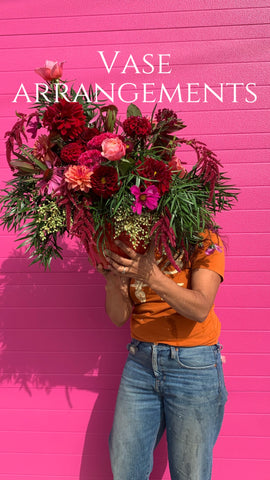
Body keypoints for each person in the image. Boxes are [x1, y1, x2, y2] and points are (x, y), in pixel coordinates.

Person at [98, 229, 228, 480]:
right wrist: (113, 283)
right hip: (140, 362)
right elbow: (118, 317)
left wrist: (151, 275)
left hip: (192, 366)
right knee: (126, 468)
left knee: (190, 473)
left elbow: (200, 307)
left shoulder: (203, 239)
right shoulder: (133, 242)